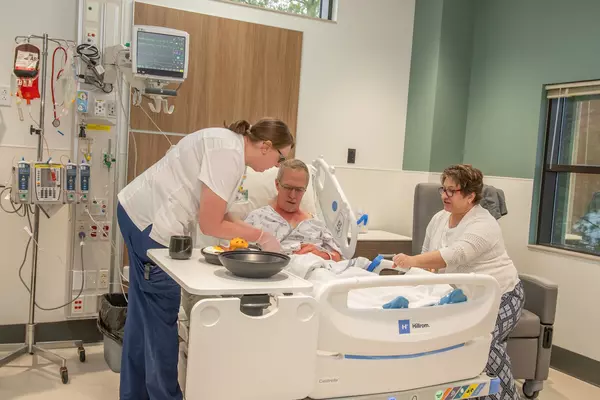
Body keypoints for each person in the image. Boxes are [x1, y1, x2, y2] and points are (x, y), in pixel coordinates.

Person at [116, 118, 294, 400]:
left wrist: (252, 234)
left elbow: (224, 214)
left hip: (135, 212)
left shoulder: (228, 146)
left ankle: (134, 395)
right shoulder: (228, 155)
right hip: (151, 226)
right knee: (162, 316)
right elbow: (210, 225)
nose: (276, 165)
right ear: (266, 146)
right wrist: (261, 236)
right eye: (280, 157)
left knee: (142, 317)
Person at [392, 164, 523, 400]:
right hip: (461, 298)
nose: (444, 195)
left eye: (451, 191)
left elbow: (455, 255)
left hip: (501, 296)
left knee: (484, 343)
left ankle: (507, 396)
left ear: (471, 195)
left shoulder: (484, 224)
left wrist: (410, 260)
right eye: (443, 189)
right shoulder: (439, 219)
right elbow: (427, 256)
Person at [244, 159, 343, 261]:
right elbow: (240, 251)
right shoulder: (257, 218)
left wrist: (321, 255)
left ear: (304, 190)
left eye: (299, 190)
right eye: (288, 187)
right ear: (277, 185)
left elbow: (338, 256)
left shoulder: (315, 223)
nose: (292, 195)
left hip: (320, 270)